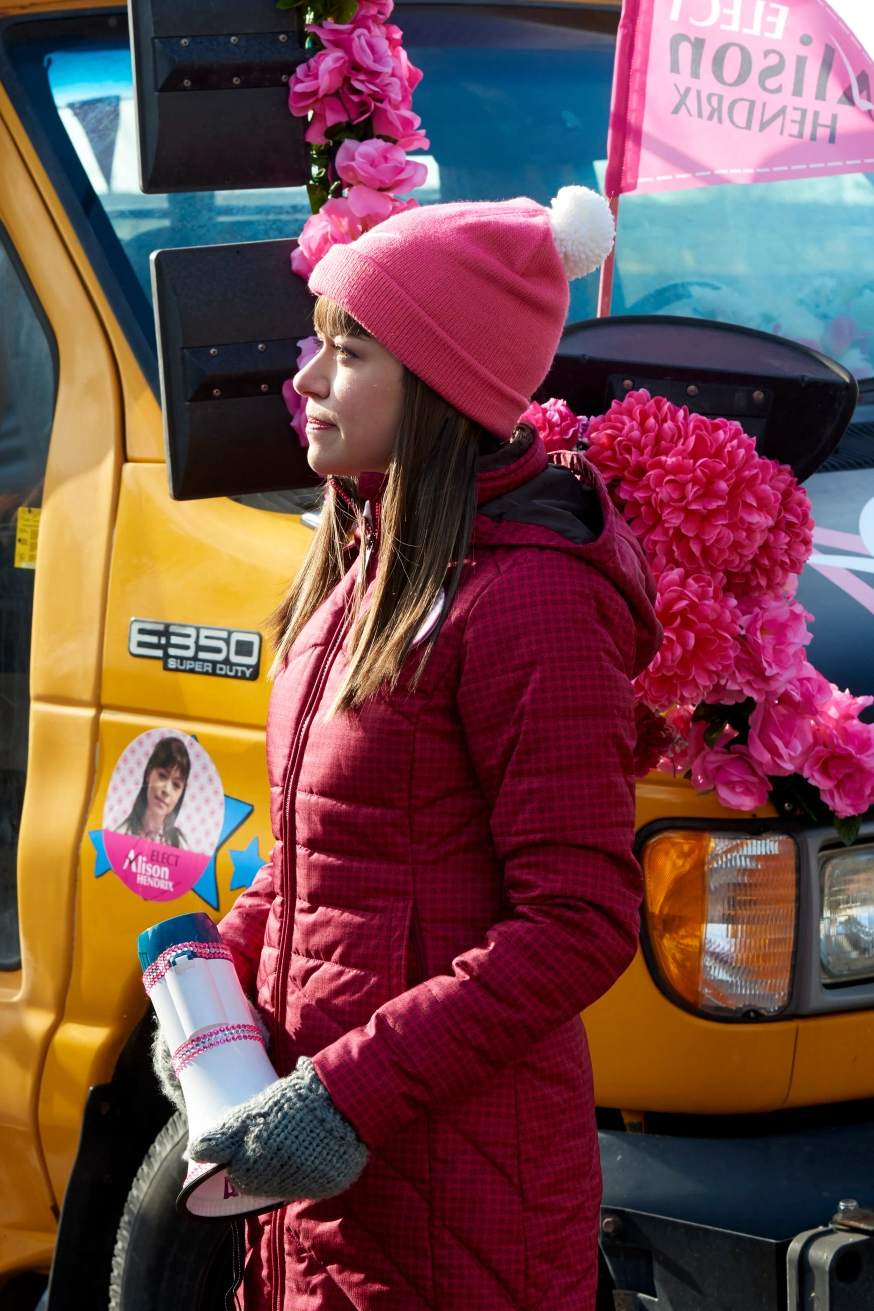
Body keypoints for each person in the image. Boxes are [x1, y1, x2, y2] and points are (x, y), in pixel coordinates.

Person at [171, 190, 659, 1310]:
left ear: (439, 386)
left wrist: (345, 1098)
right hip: (334, 1189)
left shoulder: (529, 597)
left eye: (351, 352)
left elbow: (579, 923)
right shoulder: (367, 559)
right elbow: (324, 868)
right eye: (317, 342)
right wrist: (215, 1005)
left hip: (453, 1197)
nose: (305, 379)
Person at [115, 736, 192, 849]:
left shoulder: (181, 845)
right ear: (148, 774)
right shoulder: (120, 834)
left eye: (176, 785)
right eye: (162, 776)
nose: (166, 790)